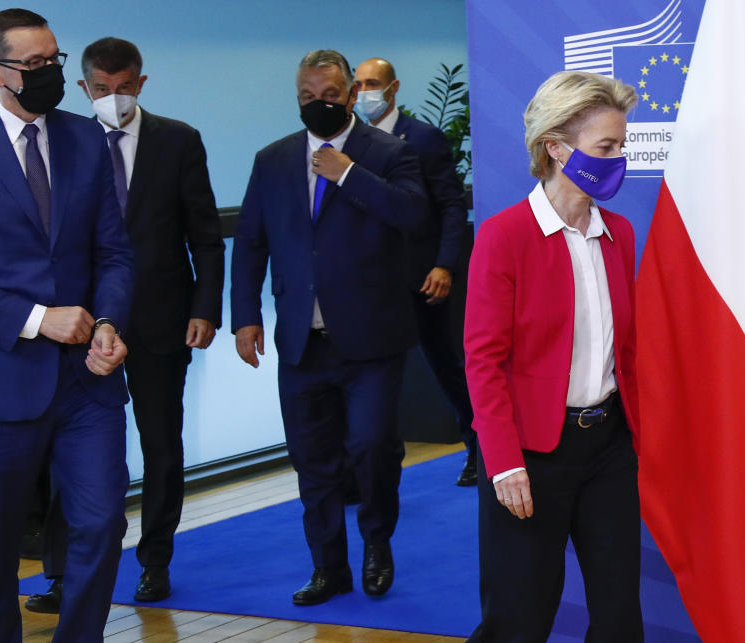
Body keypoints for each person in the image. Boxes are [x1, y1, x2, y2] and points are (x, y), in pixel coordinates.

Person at [0, 9, 133, 642]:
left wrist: (108, 322)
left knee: (101, 521)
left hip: (86, 381)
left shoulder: (87, 138)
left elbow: (114, 251)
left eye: (54, 62)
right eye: (33, 65)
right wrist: (40, 319)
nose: (49, 74)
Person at [23, 37, 226, 613]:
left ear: (141, 83)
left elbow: (204, 236)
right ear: (85, 87)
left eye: (125, 87)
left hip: (163, 322)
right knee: (73, 451)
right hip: (83, 324)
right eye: (102, 89)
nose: (114, 98)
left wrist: (204, 308)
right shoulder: (60, 139)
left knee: (161, 445)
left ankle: (154, 562)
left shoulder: (178, 140)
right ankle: (64, 576)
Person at [231, 49, 427, 606]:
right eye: (307, 98)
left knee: (370, 448)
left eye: (329, 96)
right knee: (312, 460)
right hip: (300, 341)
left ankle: (377, 546)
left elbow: (415, 218)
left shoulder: (389, 153)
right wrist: (244, 316)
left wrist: (350, 177)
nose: (318, 105)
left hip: (370, 339)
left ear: (348, 95)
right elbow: (250, 243)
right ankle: (327, 567)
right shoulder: (272, 160)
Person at [464, 71, 642, 641]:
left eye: (621, 145)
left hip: (610, 447)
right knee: (519, 617)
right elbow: (482, 359)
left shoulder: (621, 233)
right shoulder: (503, 236)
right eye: (606, 148)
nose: (619, 159)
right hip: (532, 454)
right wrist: (502, 460)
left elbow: (628, 351)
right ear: (556, 148)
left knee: (618, 616)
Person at [353, 57, 477, 486]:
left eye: (372, 83)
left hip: (425, 274)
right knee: (372, 373)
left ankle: (478, 447)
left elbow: (449, 205)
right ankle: (373, 463)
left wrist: (445, 263)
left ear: (393, 88)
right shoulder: (351, 142)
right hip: (372, 277)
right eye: (359, 84)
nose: (364, 91)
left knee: (448, 362)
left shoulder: (423, 138)